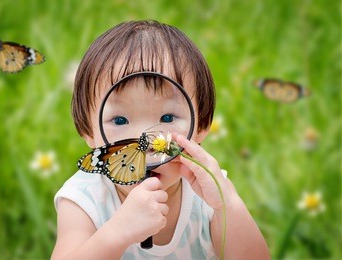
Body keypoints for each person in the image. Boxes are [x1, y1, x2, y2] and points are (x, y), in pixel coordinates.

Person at [52, 20, 270, 259]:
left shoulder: (208, 189)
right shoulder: (84, 198)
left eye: (167, 117)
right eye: (120, 120)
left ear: (203, 125)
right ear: (89, 133)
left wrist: (227, 204)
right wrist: (116, 233)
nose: (146, 143)